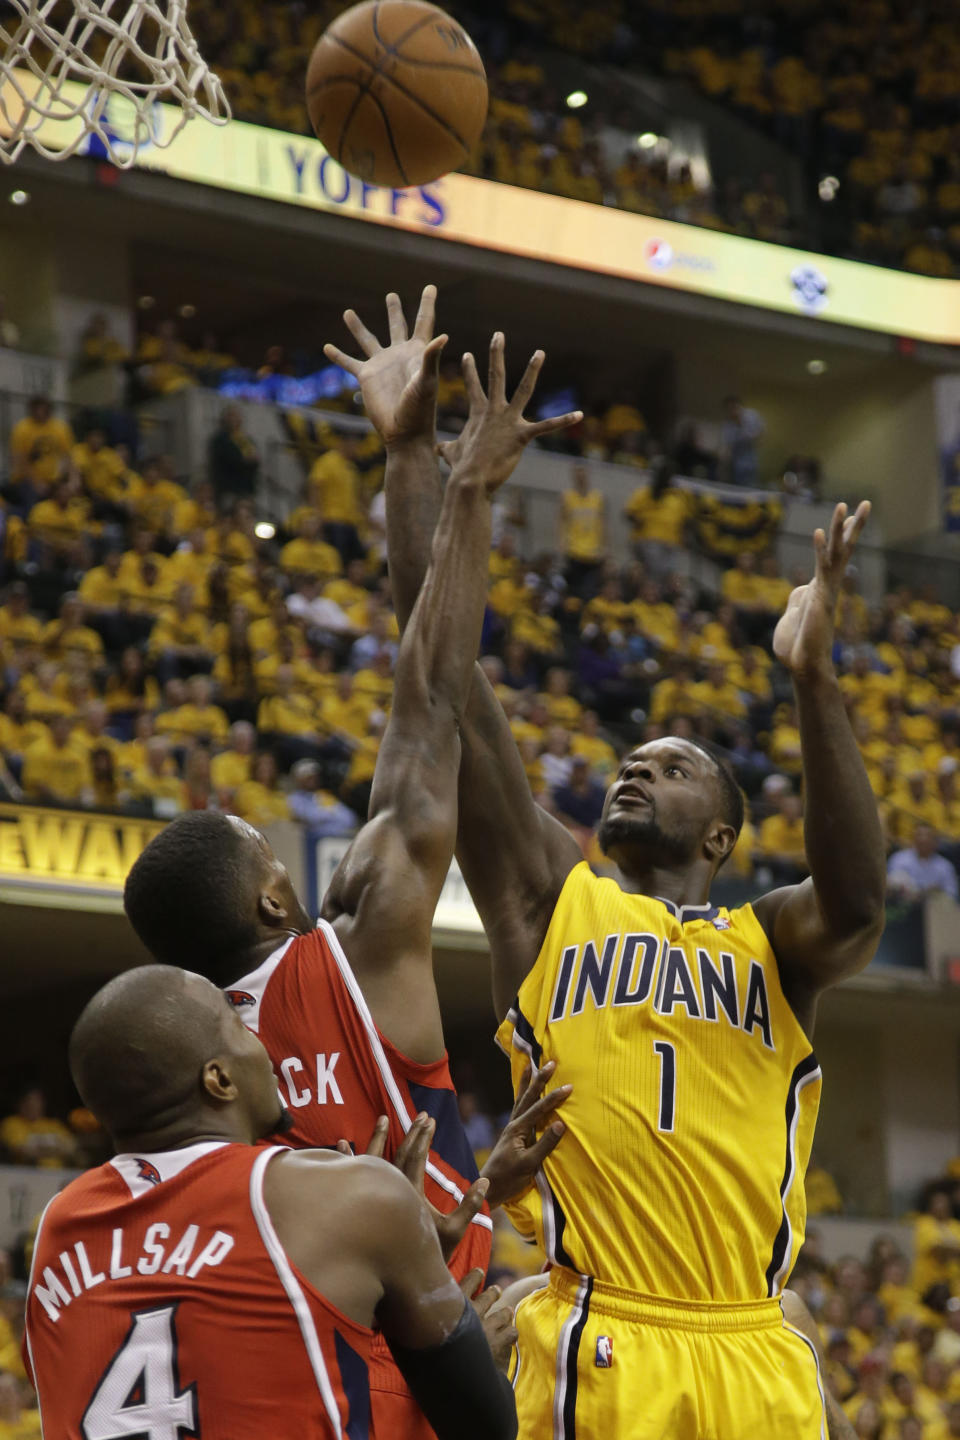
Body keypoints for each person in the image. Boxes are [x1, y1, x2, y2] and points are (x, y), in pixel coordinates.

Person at [339, 284, 886, 1440]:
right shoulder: (552, 900)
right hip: (603, 1332)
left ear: (725, 835)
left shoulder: (772, 943)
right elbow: (443, 687)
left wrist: (813, 677)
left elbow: (858, 897)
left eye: (674, 766)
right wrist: (410, 459)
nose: (636, 772)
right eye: (630, 761)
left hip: (757, 1341)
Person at [125, 324, 578, 1440]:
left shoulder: (173, 1068)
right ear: (281, 901)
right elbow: (432, 691)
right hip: (434, 1363)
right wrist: (433, 467)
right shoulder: (359, 939)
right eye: (276, 855)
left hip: (281, 1382)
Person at [25, 966, 517, 1440]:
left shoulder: (60, 1221)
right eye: (240, 1026)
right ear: (219, 1080)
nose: (263, 1045)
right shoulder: (351, 1195)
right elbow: (484, 1423)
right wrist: (484, 1354)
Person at [887, 822, 959, 901]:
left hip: (934, 907)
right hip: (904, 906)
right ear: (913, 839)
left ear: (936, 842)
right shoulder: (899, 859)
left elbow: (952, 893)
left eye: (928, 836)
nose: (923, 839)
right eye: (919, 835)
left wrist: (939, 892)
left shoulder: (945, 866)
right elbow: (891, 885)